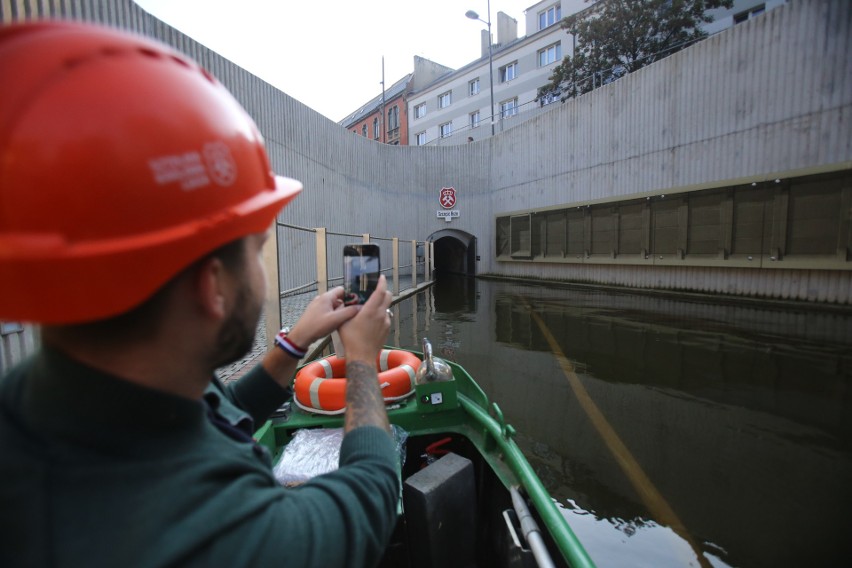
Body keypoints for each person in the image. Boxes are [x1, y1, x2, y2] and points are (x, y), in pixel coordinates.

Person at [0, 21, 399, 567]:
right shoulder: (222, 533)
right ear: (212, 285)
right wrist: (360, 360)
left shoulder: (59, 400)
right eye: (257, 249)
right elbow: (370, 496)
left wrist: (296, 340)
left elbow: (218, 411)